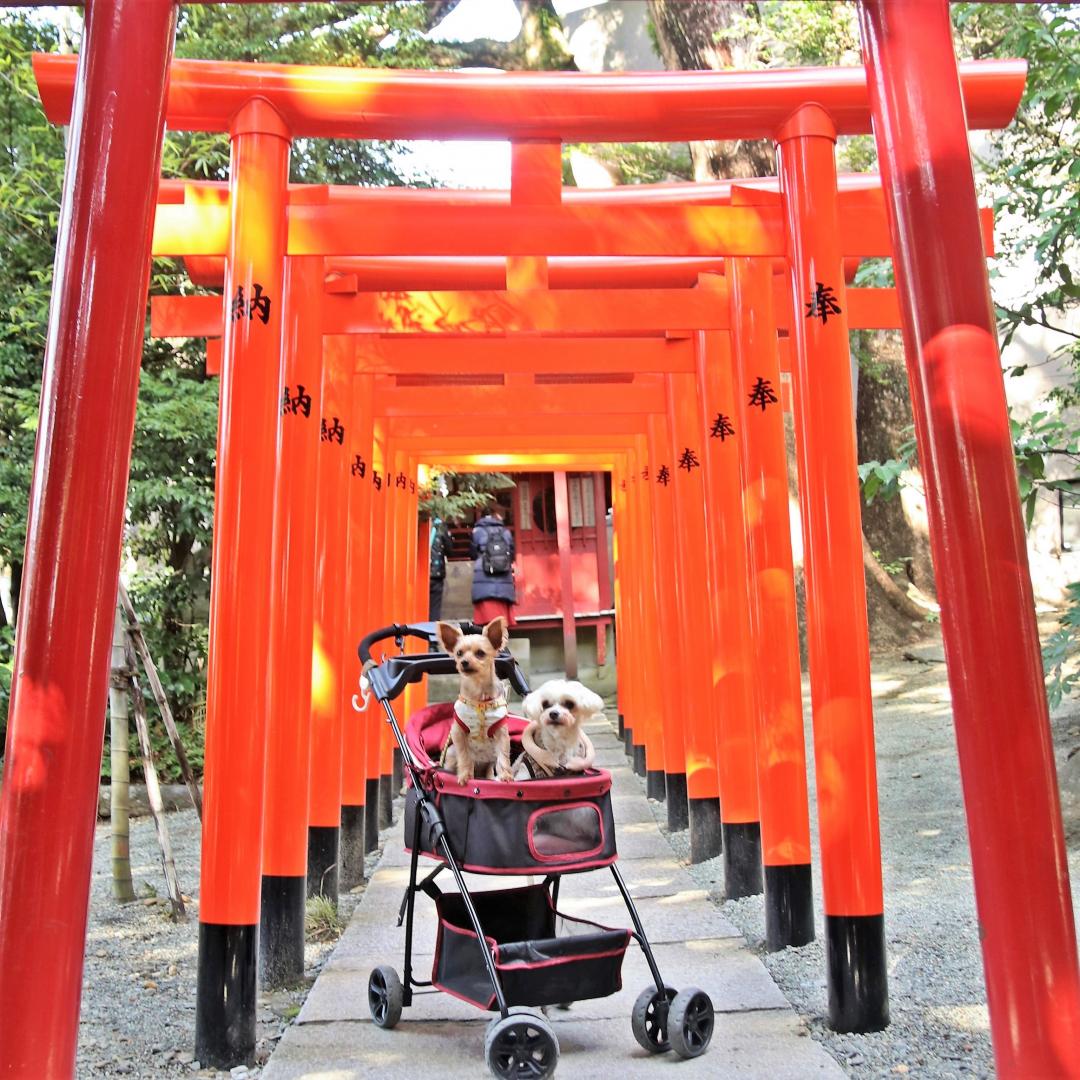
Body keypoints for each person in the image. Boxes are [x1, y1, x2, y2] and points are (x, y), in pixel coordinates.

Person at [470, 506, 516, 627]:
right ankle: (502, 642)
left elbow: (473, 553)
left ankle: (487, 641)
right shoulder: (506, 532)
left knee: (486, 618)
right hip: (503, 575)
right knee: (501, 618)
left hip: (483, 576)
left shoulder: (477, 532)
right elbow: (511, 553)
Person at [428, 517, 448, 621]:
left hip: (419, 573)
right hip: (436, 573)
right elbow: (449, 549)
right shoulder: (441, 528)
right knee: (435, 606)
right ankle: (431, 631)